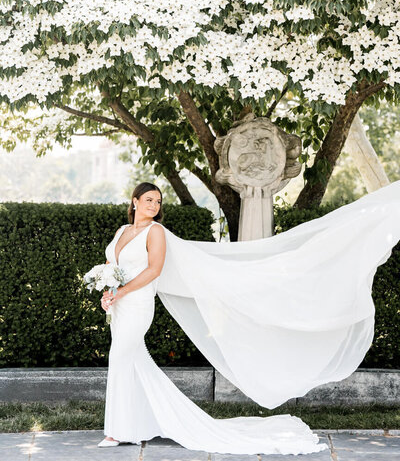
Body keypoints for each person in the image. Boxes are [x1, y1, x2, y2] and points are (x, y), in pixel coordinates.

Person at [97, 180, 400, 455]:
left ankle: (116, 431)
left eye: (158, 201)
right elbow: (114, 266)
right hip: (120, 306)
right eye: (148, 199)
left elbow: (154, 270)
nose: (153, 205)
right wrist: (108, 292)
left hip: (137, 305)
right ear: (134, 201)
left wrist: (121, 292)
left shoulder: (156, 232)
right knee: (135, 362)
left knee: (121, 359)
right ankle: (134, 426)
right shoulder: (122, 232)